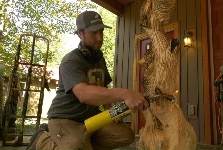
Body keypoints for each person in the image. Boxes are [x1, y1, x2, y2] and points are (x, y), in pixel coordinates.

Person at [26, 10, 149, 150]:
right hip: (65, 118)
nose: (100, 38)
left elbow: (103, 88)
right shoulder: (71, 60)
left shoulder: (99, 59)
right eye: (94, 33)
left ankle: (83, 144)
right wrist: (126, 94)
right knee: (75, 147)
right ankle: (42, 140)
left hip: (90, 119)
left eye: (101, 32)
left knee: (126, 135)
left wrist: (111, 112)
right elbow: (83, 94)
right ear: (80, 33)